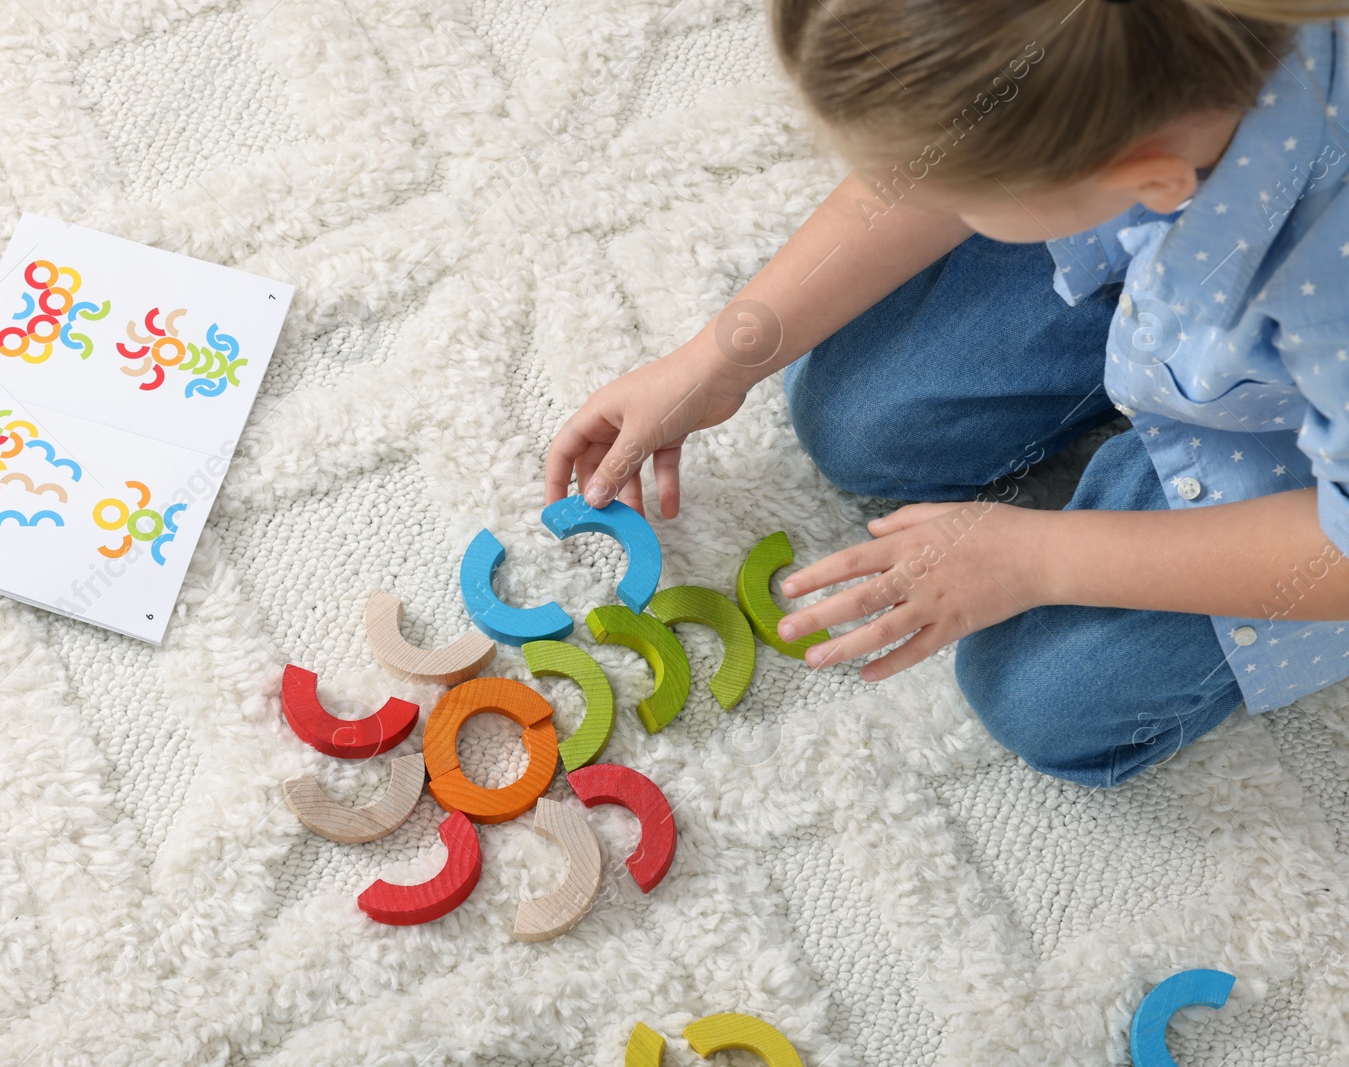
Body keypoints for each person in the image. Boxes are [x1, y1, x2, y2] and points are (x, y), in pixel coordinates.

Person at [543, 0, 1349, 787]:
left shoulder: (1327, 280)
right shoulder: (1089, 76)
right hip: (1161, 233)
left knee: (1046, 695)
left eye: (963, 187)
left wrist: (1041, 560)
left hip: (1302, 434)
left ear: (1149, 177)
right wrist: (716, 359)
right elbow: (941, 139)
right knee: (855, 417)